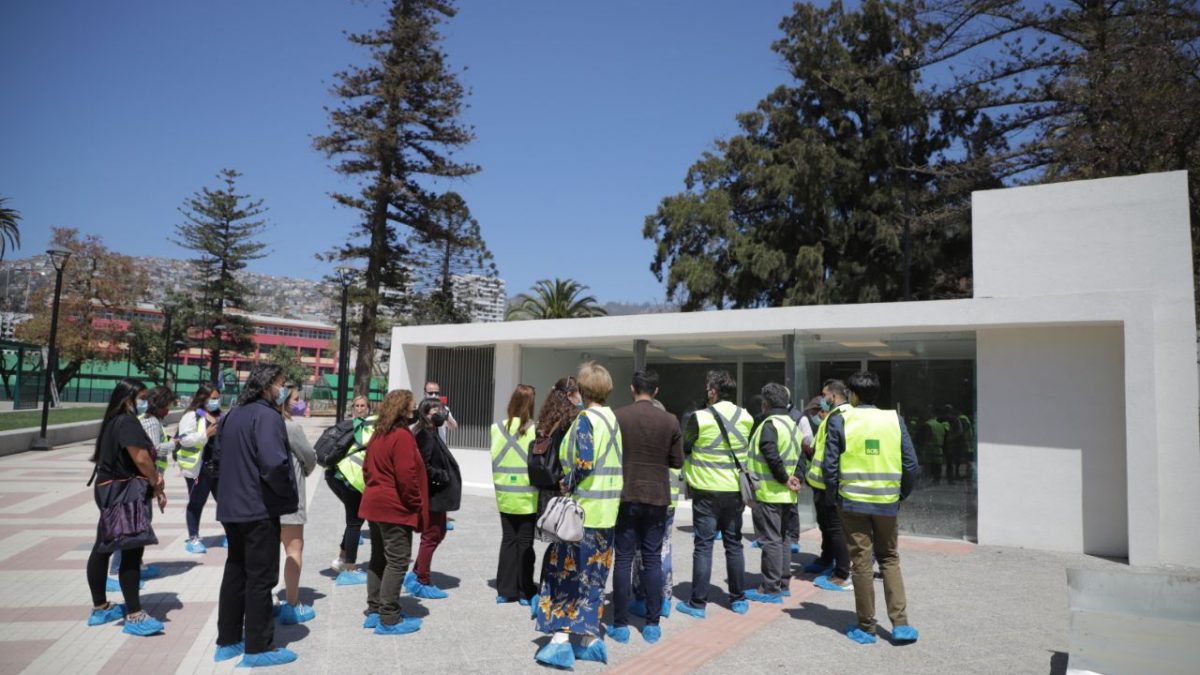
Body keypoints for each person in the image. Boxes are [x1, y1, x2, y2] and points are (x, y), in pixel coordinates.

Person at [534, 363, 624, 669]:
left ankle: (560, 642)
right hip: (607, 514)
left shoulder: (586, 420)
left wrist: (565, 482)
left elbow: (584, 463)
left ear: (583, 391)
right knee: (594, 579)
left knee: (565, 575)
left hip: (582, 514)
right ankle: (589, 640)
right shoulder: (613, 419)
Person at [823, 370, 920, 645]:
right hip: (887, 502)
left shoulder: (841, 418)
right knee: (889, 558)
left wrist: (833, 498)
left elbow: (831, 466)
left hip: (852, 503)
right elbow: (911, 464)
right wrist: (901, 493)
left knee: (861, 563)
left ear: (852, 395)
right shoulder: (894, 419)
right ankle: (900, 625)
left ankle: (866, 627)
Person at [213, 365, 300, 667]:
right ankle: (258, 647)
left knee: (235, 572)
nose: (283, 390)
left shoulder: (233, 414)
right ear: (267, 387)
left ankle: (228, 641)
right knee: (261, 578)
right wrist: (287, 494)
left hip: (232, 507)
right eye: (281, 384)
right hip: (258, 508)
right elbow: (274, 464)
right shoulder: (266, 416)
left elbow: (219, 457)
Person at [85, 377, 167, 636]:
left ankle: (100, 608)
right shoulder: (129, 422)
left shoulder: (112, 421)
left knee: (103, 546)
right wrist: (157, 482)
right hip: (126, 492)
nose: (145, 403)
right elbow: (141, 458)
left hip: (108, 488)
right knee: (132, 549)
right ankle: (135, 615)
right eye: (141, 398)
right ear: (128, 398)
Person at [610, 369, 683, 644]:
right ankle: (652, 623)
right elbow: (677, 462)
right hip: (657, 497)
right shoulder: (670, 420)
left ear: (632, 389)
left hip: (626, 494)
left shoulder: (619, 416)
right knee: (652, 559)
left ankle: (619, 624)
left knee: (623, 559)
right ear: (656, 391)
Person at [677, 369, 753, 619]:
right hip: (734, 490)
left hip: (706, 490)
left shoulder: (700, 417)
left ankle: (698, 603)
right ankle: (738, 599)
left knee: (704, 545)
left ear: (713, 391)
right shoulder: (747, 417)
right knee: (734, 544)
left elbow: (687, 446)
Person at [359, 389, 427, 635]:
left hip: (374, 504)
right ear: (402, 409)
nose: (415, 409)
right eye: (412, 405)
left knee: (379, 558)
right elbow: (406, 476)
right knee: (398, 561)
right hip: (394, 507)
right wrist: (415, 503)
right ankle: (389, 617)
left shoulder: (379, 433)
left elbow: (366, 469)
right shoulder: (402, 436)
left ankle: (375, 609)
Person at [104, 385, 174, 591]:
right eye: (142, 398)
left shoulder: (140, 420)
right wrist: (175, 445)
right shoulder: (147, 422)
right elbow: (149, 453)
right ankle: (115, 572)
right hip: (138, 483)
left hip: (141, 482)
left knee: (140, 525)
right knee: (131, 528)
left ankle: (135, 564)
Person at [745, 383, 802, 604]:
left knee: (770, 540)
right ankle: (783, 583)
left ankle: (770, 588)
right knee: (784, 538)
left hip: (770, 492)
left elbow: (771, 454)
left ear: (765, 403)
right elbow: (801, 458)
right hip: (788, 493)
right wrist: (797, 478)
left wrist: (784, 478)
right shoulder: (792, 424)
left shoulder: (769, 424)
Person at [405, 397, 462, 599]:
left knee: (438, 533)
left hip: (437, 495)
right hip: (432, 494)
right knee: (431, 535)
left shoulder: (431, 431)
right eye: (434, 410)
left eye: (441, 409)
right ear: (425, 413)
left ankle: (417, 573)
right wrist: (442, 475)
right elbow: (424, 465)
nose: (440, 413)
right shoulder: (425, 434)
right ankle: (422, 579)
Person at [801, 380, 855, 591]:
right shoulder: (833, 416)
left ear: (834, 396)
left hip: (829, 484)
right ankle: (827, 560)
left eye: (824, 395)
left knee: (835, 529)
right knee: (827, 527)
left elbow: (834, 454)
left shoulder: (841, 416)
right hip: (821, 484)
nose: (822, 399)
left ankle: (842, 574)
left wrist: (831, 486)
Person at [490, 384, 539, 605]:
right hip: (527, 497)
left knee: (508, 540)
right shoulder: (534, 430)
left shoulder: (496, 428)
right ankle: (525, 590)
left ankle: (505, 589)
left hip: (505, 495)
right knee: (525, 543)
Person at [278, 385, 317, 625]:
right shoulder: (291, 427)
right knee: (294, 551)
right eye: (295, 399)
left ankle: (267, 600)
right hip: (289, 499)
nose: (298, 402)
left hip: (261, 501)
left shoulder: (259, 424)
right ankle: (292, 604)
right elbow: (310, 458)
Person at [327, 394, 373, 585]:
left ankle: (341, 557)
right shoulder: (362, 428)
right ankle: (350, 568)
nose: (360, 408)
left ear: (368, 408)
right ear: (352, 408)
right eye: (357, 406)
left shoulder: (346, 426)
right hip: (351, 481)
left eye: (363, 405)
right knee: (355, 522)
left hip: (337, 478)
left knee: (354, 519)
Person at [176, 384, 222, 554]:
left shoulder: (220, 415)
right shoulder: (192, 416)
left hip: (218, 467)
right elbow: (184, 439)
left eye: (218, 398)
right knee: (196, 502)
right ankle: (193, 537)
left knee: (224, 502)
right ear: (203, 398)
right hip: (199, 468)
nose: (216, 401)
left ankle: (231, 534)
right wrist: (205, 434)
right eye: (213, 398)